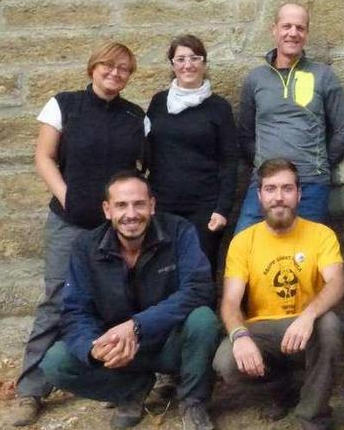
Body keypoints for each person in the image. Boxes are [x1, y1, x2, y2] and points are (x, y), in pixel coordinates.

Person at [12, 42, 145, 426]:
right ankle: (31, 390)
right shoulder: (63, 104)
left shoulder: (136, 117)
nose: (115, 74)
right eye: (109, 66)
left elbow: (140, 170)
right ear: (93, 68)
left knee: (116, 302)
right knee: (57, 300)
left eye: (124, 69)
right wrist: (68, 197)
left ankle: (113, 383)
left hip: (114, 227)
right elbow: (44, 157)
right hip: (68, 223)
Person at [39, 171, 219, 430]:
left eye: (139, 204)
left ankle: (193, 401)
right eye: (121, 205)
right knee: (55, 363)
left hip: (169, 344)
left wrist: (137, 325)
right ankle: (131, 389)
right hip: (118, 350)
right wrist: (94, 348)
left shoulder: (179, 231)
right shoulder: (86, 247)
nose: (131, 214)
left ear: (152, 205)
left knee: (203, 320)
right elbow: (76, 310)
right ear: (107, 210)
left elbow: (199, 289)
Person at [213, 158, 344, 430]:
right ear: (259, 195)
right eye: (271, 189)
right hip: (263, 331)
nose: (279, 197)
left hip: (305, 328)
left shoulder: (321, 235)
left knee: (329, 324)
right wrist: (239, 336)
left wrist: (308, 316)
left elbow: (336, 283)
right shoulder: (243, 241)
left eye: (287, 189)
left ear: (299, 194)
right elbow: (229, 301)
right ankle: (282, 387)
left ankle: (312, 415)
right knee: (226, 361)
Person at [235, 3, 344, 232]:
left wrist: (318, 162)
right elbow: (245, 134)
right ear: (274, 30)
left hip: (310, 185)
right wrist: (263, 163)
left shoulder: (323, 76)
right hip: (264, 184)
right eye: (286, 26)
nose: (293, 33)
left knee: (305, 257)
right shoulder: (255, 79)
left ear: (306, 33)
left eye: (299, 28)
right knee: (244, 246)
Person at [146, 34, 239, 281]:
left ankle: (202, 320)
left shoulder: (219, 107)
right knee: (161, 274)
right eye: (181, 59)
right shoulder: (158, 103)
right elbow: (147, 151)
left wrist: (222, 209)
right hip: (163, 205)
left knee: (199, 273)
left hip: (204, 209)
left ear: (204, 64)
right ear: (172, 65)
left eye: (195, 58)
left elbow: (230, 161)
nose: (188, 65)